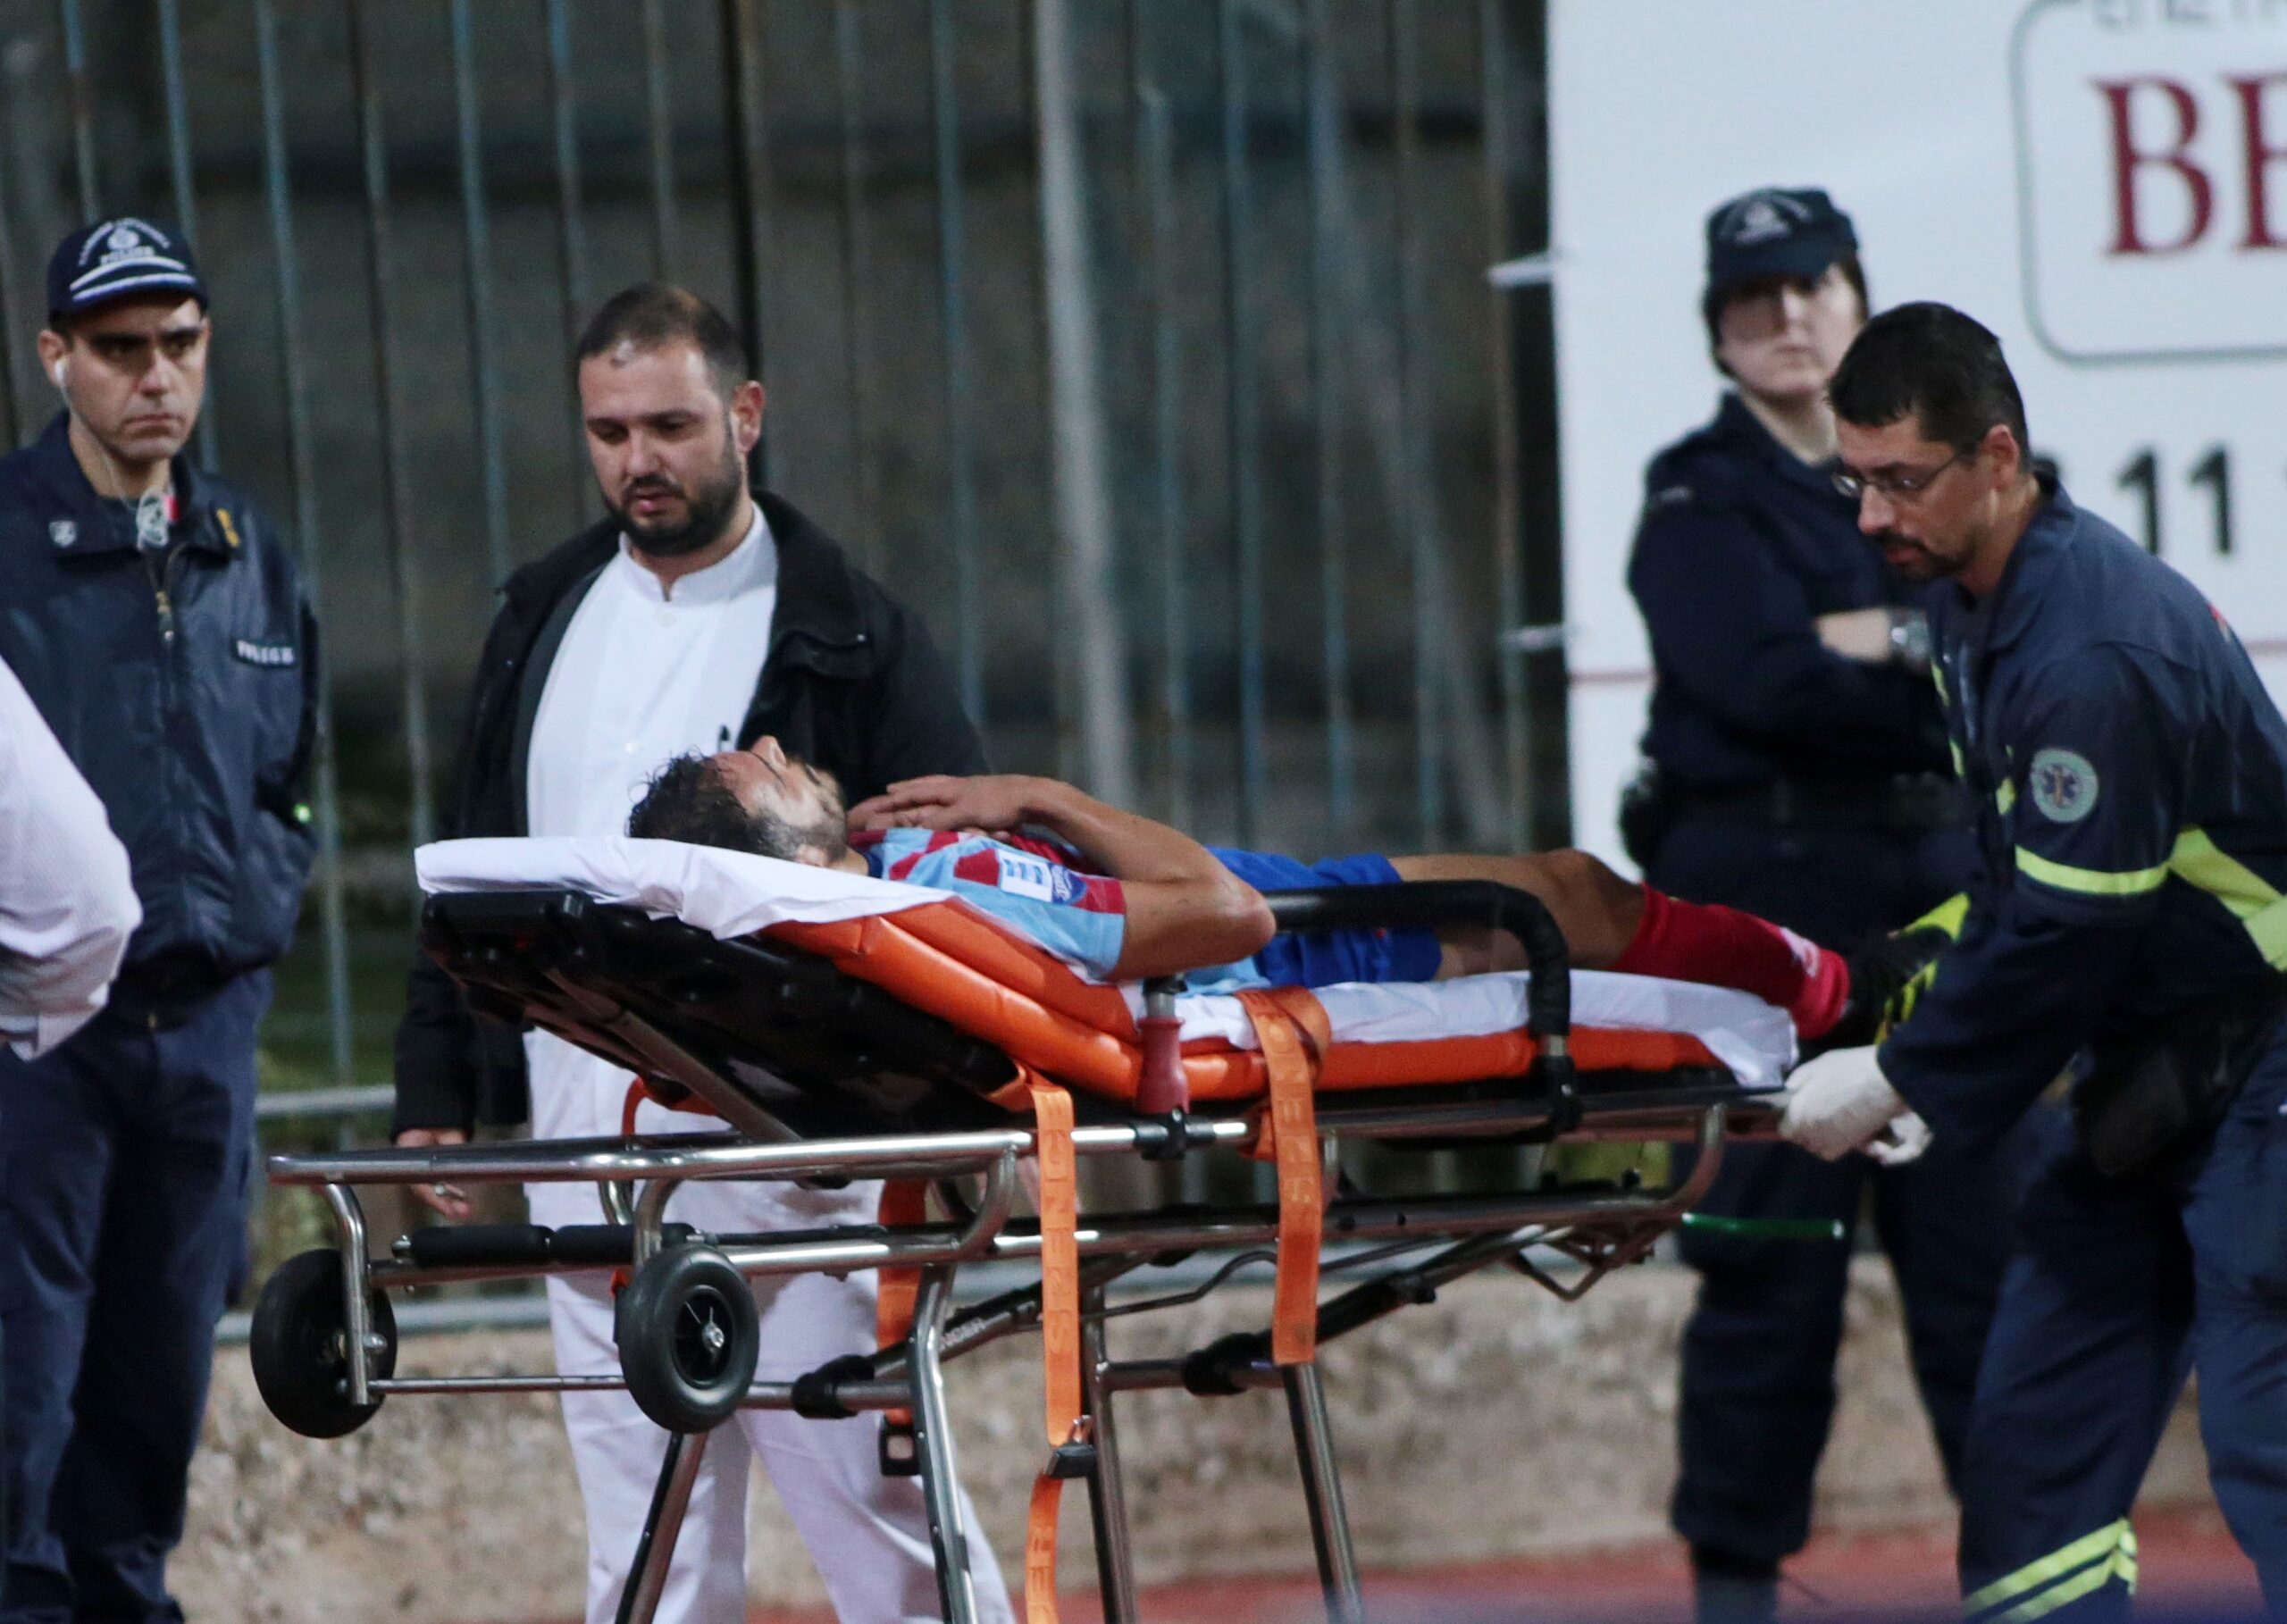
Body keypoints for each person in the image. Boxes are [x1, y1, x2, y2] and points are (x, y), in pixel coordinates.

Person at [390, 283, 1012, 1624]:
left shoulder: (848, 628)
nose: (640, 460)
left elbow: (952, 876)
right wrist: (439, 1084)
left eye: (670, 426)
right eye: (609, 432)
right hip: (582, 1135)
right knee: (643, 1547)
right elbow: (475, 857)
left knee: (885, 1518)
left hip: (788, 1152)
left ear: (746, 415)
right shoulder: (542, 615)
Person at [1783, 301, 2287, 1618]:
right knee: (2030, 1469)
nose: (1872, 517)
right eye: (1854, 480)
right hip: (2161, 1057)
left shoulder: (2089, 651)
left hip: (2268, 1064)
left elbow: (2070, 930)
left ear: (1998, 457)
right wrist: (1896, 983)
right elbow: (2022, 888)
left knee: (2273, 1442)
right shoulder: (1973, 602)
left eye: (1903, 480)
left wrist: (1904, 1074)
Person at [1624, 188, 2012, 1620]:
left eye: (1811, 286)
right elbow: (1755, 675)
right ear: (1717, 328)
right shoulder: (1693, 494)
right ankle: (1736, 1585)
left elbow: (1996, 636)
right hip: (1770, 935)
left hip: (1946, 913)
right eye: (1754, 297)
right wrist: (1916, 657)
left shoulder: (1928, 475)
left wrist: (1879, 640)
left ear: (1858, 300)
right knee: (1766, 1283)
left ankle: (2030, 1579)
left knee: (1989, 1276)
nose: (1786, 318)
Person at [0, 218, 318, 1622]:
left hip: (202, 1024)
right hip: (38, 1036)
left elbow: (289, 775)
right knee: (22, 1359)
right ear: (55, 355)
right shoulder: (8, 542)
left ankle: (126, 1596)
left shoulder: (245, 549)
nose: (155, 378)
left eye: (179, 345)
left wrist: (259, 911)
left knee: (163, 1357)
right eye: (120, 348)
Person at [626, 739, 1931, 1042]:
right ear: (789, 860)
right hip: (1310, 949)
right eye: (770, 773)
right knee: (1573, 898)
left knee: (1577, 889)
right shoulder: (956, 882)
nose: (787, 747)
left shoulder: (906, 886)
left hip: (1297, 922)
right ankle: (1838, 995)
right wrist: (1039, 795)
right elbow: (1225, 916)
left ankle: (1828, 990)